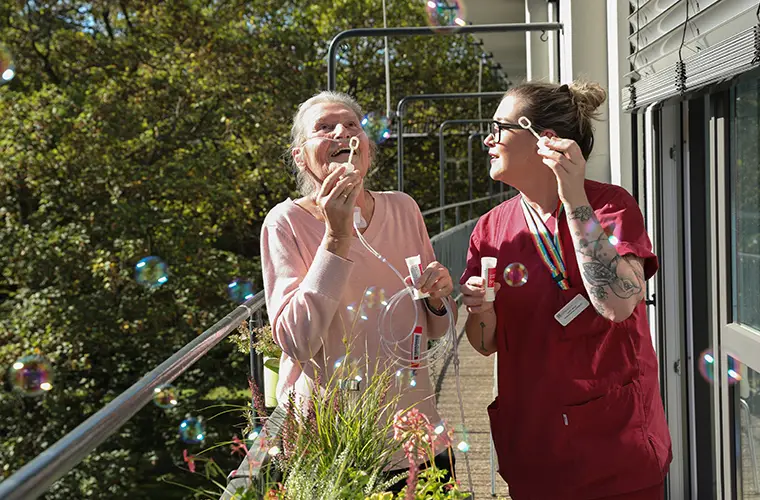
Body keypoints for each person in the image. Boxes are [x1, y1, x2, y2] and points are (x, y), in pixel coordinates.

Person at [460, 81, 672, 500]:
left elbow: (616, 305)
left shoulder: (610, 207)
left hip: (615, 453)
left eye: (499, 127)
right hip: (535, 453)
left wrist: (573, 197)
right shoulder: (490, 229)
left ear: (546, 141)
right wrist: (481, 312)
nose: (487, 139)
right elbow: (484, 344)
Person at [260, 91, 457, 490]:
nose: (342, 132)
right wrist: (335, 235)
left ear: (366, 150)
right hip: (336, 446)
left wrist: (438, 299)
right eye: (324, 127)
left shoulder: (403, 208)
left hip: (415, 435)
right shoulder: (285, 223)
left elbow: (431, 329)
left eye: (352, 125)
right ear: (300, 157)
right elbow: (297, 341)